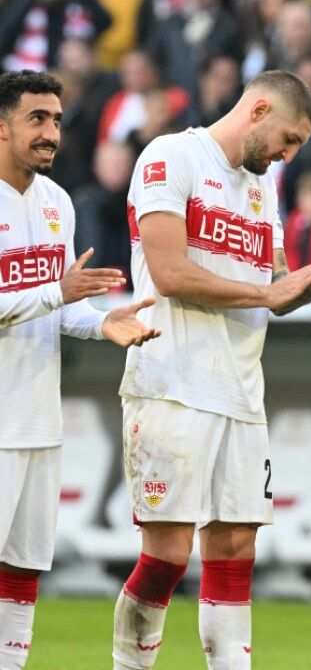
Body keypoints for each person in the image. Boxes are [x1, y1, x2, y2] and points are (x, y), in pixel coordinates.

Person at [112, 69, 311, 670]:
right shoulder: (170, 156)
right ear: (257, 111)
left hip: (240, 390)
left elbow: (276, 285)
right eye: (290, 138)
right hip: (171, 381)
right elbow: (171, 274)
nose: (289, 154)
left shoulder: (262, 189)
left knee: (235, 549)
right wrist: (268, 296)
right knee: (168, 556)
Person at [0, 69, 160, 670]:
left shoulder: (56, 203)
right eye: (37, 119)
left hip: (39, 416)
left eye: (57, 121)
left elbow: (59, 306)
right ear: (2, 126)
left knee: (23, 567)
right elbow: (47, 295)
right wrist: (54, 293)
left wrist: (101, 324)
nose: (50, 133)